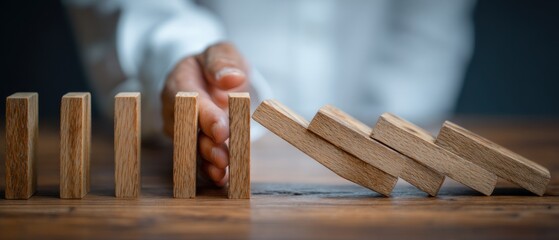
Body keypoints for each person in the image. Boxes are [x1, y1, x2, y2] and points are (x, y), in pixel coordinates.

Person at [66, 0, 476, 186]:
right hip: (211, 96)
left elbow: (428, 24)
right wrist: (178, 49)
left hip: (405, 115)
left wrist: (398, 129)